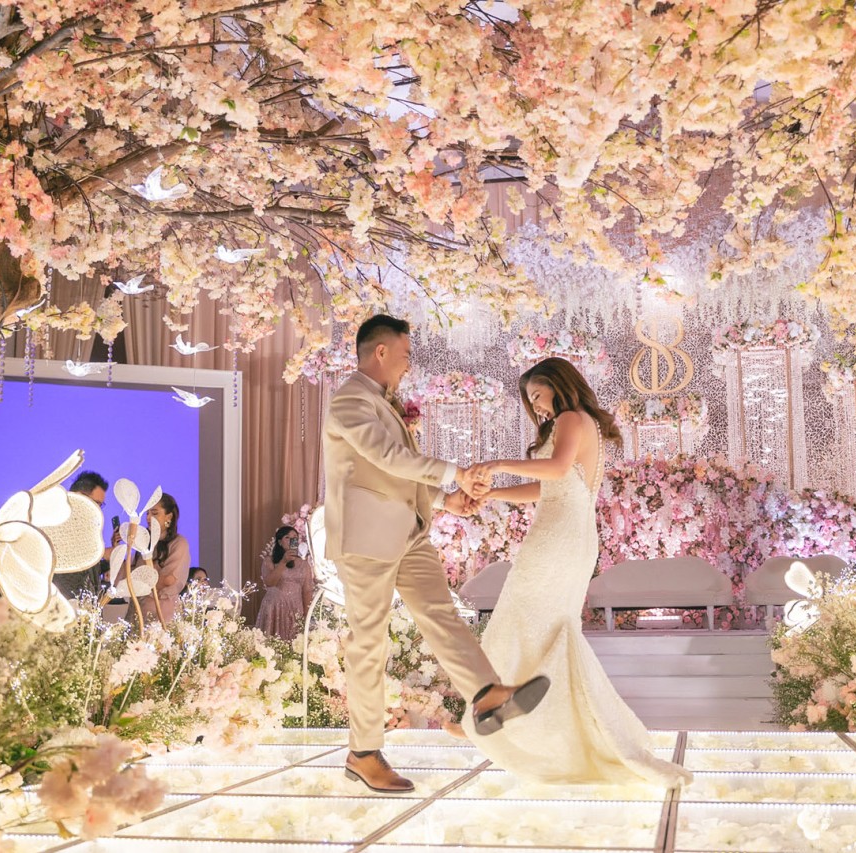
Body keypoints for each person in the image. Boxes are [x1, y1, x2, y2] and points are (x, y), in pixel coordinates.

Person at [322, 314, 547, 793]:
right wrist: (455, 474)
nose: (408, 366)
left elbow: (395, 475)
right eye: (404, 355)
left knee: (443, 614)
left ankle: (487, 694)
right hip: (367, 540)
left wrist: (448, 501)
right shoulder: (350, 400)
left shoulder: (382, 403)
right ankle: (364, 753)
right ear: (380, 352)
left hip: (410, 533)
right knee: (370, 643)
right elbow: (387, 458)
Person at [465, 357, 691, 788]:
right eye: (530, 400)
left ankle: (491, 710)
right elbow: (545, 487)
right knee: (548, 628)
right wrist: (493, 494)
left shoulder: (572, 418)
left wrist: (495, 465)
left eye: (537, 395)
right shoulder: (578, 424)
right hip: (570, 536)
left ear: (559, 385)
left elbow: (555, 469)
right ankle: (509, 715)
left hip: (558, 538)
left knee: (517, 615)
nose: (536, 406)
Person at [54, 470, 109, 600]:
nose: (98, 510)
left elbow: (86, 570)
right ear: (79, 497)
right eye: (96, 503)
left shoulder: (88, 531)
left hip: (87, 606)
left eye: (101, 505)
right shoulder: (58, 528)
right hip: (64, 604)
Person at [135, 492, 189, 622]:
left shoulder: (179, 543)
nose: (148, 518)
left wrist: (140, 580)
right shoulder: (144, 542)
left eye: (154, 513)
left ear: (168, 516)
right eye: (147, 514)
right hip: (138, 609)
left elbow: (169, 580)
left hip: (162, 611)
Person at [255, 526, 315, 641]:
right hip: (274, 607)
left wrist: (307, 615)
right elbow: (269, 582)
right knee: (271, 643)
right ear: (280, 542)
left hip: (295, 608)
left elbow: (307, 591)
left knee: (294, 643)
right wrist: (283, 561)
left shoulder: (304, 564)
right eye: (287, 537)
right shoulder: (269, 561)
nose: (292, 540)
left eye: (295, 538)